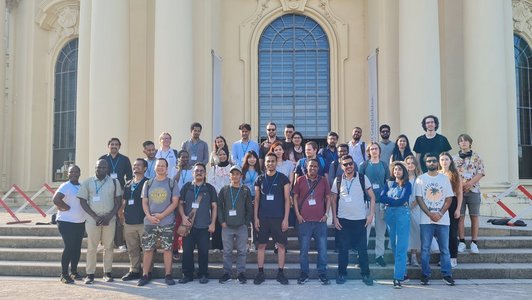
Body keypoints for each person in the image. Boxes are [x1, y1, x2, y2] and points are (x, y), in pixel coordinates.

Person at [331, 155, 375, 286]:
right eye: (345, 164)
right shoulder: (338, 179)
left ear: (354, 164)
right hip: (343, 220)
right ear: (341, 166)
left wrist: (371, 214)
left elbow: (372, 197)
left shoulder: (362, 178)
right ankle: (342, 273)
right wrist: (334, 217)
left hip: (360, 220)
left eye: (350, 163)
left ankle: (366, 274)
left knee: (362, 250)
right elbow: (333, 199)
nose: (348, 166)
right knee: (343, 250)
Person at [136, 158, 180, 286]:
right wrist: (149, 216)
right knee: (148, 249)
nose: (160, 168)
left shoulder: (172, 183)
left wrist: (161, 215)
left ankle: (168, 275)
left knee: (167, 249)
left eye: (163, 166)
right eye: (158, 166)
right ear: (154, 168)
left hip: (166, 222)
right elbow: (144, 202)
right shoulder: (148, 183)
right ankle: (145, 275)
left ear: (167, 169)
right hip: (150, 222)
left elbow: (175, 202)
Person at [78, 159, 122, 284]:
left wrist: (110, 216)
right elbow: (82, 201)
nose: (101, 170)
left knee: (108, 247)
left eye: (104, 168)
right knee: (92, 247)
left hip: (110, 219)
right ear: (95, 168)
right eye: (99, 167)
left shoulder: (114, 182)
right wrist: (95, 217)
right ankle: (90, 274)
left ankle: (107, 273)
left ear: (107, 169)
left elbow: (118, 201)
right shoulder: (87, 182)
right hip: (93, 220)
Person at [415, 153, 455, 286]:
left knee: (445, 249)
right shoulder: (420, 179)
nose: (431, 163)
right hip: (426, 220)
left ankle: (447, 274)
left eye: (433, 161)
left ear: (437, 163)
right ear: (425, 164)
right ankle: (425, 274)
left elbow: (449, 198)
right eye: (428, 161)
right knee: (425, 249)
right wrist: (430, 214)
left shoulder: (444, 179)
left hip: (443, 220)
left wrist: (440, 213)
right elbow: (419, 198)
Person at [253, 152, 291, 285]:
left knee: (281, 246)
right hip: (263, 218)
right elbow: (257, 199)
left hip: (278, 218)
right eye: (268, 161)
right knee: (261, 245)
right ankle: (260, 273)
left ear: (276, 162)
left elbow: (287, 200)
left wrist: (286, 218)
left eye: (272, 161)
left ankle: (281, 273)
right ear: (265, 163)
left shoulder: (283, 178)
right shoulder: (259, 179)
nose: (270, 163)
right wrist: (255, 218)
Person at [292, 158, 331, 285]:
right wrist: (297, 215)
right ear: (306, 167)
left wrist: (327, 214)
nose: (313, 168)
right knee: (304, 250)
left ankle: (322, 273)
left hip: (320, 221)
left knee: (323, 249)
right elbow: (295, 198)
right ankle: (304, 273)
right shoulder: (300, 180)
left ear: (318, 168)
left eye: (315, 166)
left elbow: (328, 197)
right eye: (310, 166)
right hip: (304, 221)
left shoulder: (323, 180)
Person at [178, 163, 218, 284]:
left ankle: (203, 274)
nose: (199, 172)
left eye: (201, 170)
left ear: (205, 173)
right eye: (196, 171)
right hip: (188, 226)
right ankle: (187, 274)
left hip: (204, 226)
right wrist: (183, 217)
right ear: (192, 173)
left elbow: (214, 207)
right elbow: (180, 204)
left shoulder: (210, 188)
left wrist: (213, 223)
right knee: (187, 252)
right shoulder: (186, 187)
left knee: (203, 252)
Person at [217, 165, 253, 284]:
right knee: (227, 252)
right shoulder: (225, 189)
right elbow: (219, 207)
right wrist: (222, 221)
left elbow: (249, 208)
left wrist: (246, 223)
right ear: (229, 175)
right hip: (227, 226)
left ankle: (240, 273)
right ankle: (226, 273)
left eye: (237, 174)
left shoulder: (245, 190)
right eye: (233, 174)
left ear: (241, 176)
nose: (235, 176)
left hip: (241, 226)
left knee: (242, 251)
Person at [381, 161, 412, 288]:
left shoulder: (407, 184)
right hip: (390, 216)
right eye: (395, 170)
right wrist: (395, 201)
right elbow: (382, 198)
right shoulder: (389, 184)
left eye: (399, 169)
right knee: (394, 245)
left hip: (402, 215)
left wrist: (391, 201)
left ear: (403, 171)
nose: (397, 171)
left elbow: (403, 200)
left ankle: (397, 278)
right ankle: (403, 274)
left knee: (401, 246)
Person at [453, 134, 485, 254]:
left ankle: (474, 243)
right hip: (459, 191)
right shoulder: (454, 158)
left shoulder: (477, 157)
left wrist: (469, 184)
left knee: (474, 216)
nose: (463, 143)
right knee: (460, 216)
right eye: (461, 141)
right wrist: (460, 185)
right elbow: (453, 174)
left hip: (474, 190)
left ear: (470, 142)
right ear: (459, 144)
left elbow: (481, 172)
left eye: (465, 141)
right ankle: (461, 241)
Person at [359, 142, 389, 267]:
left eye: (376, 149)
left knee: (380, 230)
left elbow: (387, 183)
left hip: (381, 202)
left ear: (379, 151)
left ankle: (379, 255)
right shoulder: (364, 165)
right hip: (367, 202)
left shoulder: (384, 165)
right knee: (364, 230)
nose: (374, 151)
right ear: (368, 151)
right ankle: (361, 256)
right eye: (372, 149)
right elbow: (359, 183)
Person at [99, 137, 132, 252]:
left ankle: (120, 243)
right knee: (105, 214)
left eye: (116, 144)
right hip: (105, 191)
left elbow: (129, 177)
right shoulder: (103, 159)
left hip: (120, 190)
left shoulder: (124, 159)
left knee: (119, 216)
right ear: (108, 146)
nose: (114, 146)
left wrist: (126, 192)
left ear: (119, 146)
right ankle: (102, 242)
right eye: (112, 144)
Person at [53, 165, 85, 284]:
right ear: (68, 174)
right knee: (69, 247)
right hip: (66, 222)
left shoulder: (81, 186)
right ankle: (64, 273)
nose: (74, 174)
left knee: (77, 248)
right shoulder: (65, 186)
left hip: (79, 222)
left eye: (76, 171)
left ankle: (74, 271)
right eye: (71, 172)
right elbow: (56, 199)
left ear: (79, 173)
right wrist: (66, 207)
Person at [119, 159, 149, 282]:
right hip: (129, 222)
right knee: (132, 249)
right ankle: (134, 270)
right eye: (134, 165)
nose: (136, 167)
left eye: (139, 165)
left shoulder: (148, 183)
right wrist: (121, 215)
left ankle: (147, 272)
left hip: (143, 222)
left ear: (145, 168)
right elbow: (124, 201)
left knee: (147, 249)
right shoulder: (128, 184)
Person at [439, 152, 463, 268]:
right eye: (442, 159)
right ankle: (443, 257)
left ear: (450, 161)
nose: (444, 162)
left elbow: (459, 193)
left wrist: (458, 209)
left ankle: (453, 257)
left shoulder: (455, 174)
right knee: (442, 233)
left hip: (452, 203)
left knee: (452, 233)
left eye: (446, 159)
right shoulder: (437, 174)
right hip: (440, 203)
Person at [207, 148, 233, 253]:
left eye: (224, 154)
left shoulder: (231, 167)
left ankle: (225, 246)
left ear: (227, 155)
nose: (222, 156)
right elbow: (210, 182)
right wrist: (219, 192)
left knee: (227, 223)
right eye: (220, 154)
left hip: (229, 198)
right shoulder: (213, 169)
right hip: (217, 198)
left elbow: (234, 180)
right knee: (217, 222)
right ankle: (216, 246)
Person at [242, 150, 261, 252]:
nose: (252, 159)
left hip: (256, 198)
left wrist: (257, 199)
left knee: (254, 222)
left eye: (254, 157)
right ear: (247, 159)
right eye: (250, 157)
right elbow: (240, 185)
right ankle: (245, 243)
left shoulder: (260, 171)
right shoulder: (242, 171)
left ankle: (253, 244)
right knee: (245, 222)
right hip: (245, 199)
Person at [405, 155, 422, 267]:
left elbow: (420, 194)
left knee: (415, 231)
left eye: (412, 163)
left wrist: (413, 205)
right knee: (405, 231)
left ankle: (414, 256)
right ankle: (405, 255)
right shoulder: (403, 177)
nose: (410, 165)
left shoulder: (419, 178)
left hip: (416, 206)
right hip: (404, 206)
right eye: (408, 163)